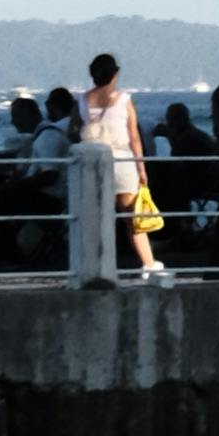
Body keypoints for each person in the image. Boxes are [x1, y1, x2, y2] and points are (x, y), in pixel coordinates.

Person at [80, 52, 162, 275]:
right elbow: (134, 136)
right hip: (124, 162)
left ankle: (96, 266)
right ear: (115, 74)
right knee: (132, 218)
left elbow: (72, 131)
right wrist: (141, 168)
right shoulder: (124, 99)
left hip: (95, 163)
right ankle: (148, 264)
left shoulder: (83, 100)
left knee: (97, 217)